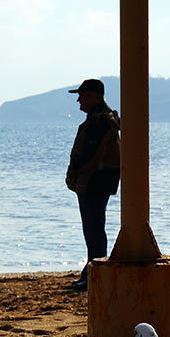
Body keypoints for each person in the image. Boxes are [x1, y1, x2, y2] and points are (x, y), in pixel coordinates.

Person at [65, 78, 121, 291]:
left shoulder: (99, 121)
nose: (79, 99)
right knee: (95, 228)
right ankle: (91, 272)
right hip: (99, 180)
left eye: (83, 95)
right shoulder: (104, 119)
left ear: (95, 97)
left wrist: (75, 170)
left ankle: (94, 275)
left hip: (94, 181)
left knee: (93, 229)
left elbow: (89, 154)